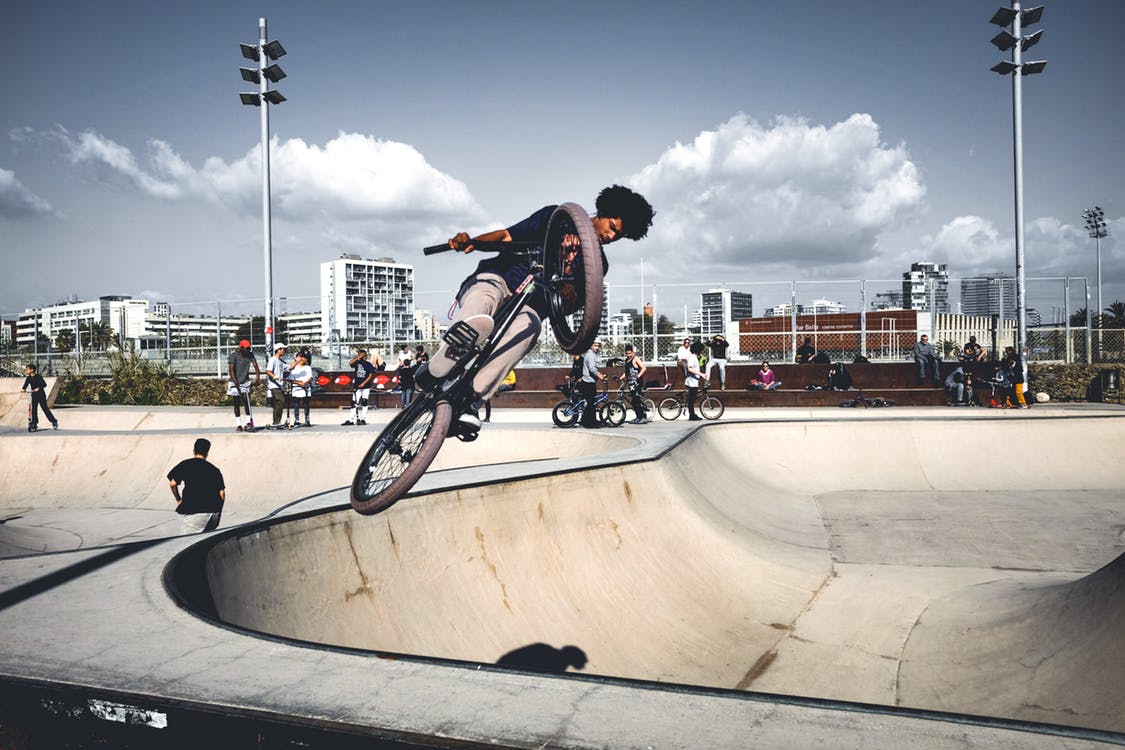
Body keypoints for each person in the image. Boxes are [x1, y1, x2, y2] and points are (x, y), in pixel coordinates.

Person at [422, 185, 654, 436]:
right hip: (501, 277)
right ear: (603, 212)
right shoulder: (556, 219)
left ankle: (470, 399)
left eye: (619, 236)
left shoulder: (597, 265)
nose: (611, 236)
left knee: (531, 327)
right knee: (485, 296)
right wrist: (472, 242)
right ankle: (442, 362)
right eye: (612, 227)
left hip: (530, 305)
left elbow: (566, 306)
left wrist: (566, 267)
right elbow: (505, 236)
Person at [167, 438, 225, 534]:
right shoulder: (214, 469)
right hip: (214, 514)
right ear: (207, 453)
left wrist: (178, 499)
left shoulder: (185, 465)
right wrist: (218, 512)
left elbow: (173, 483)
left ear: (193, 451)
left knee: (186, 544)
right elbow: (222, 493)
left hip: (196, 514)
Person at [227, 339, 261, 432]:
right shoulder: (234, 355)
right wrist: (235, 382)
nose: (248, 350)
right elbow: (231, 370)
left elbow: (256, 367)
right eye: (246, 348)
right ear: (241, 348)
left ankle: (248, 422)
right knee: (236, 403)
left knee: (247, 401)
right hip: (235, 381)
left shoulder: (250, 354)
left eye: (248, 348)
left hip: (245, 381)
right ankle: (238, 424)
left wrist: (258, 378)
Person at [343, 349, 378, 425]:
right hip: (357, 385)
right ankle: (351, 419)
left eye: (363, 355)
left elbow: (370, 375)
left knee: (364, 401)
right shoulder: (357, 363)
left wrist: (363, 383)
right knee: (354, 402)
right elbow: (350, 363)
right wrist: (358, 357)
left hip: (366, 386)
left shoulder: (368, 364)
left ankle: (363, 419)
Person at [21, 363, 58, 432]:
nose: (26, 371)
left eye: (27, 369)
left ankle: (54, 421)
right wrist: (23, 389)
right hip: (34, 395)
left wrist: (38, 388)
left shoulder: (38, 376)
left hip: (41, 395)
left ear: (32, 370)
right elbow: (25, 385)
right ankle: (34, 423)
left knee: (45, 409)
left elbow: (44, 384)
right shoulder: (28, 378)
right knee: (34, 410)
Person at [580, 341, 607, 428]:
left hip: (587, 381)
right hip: (589, 382)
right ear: (591, 346)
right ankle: (590, 423)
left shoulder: (589, 354)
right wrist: (600, 376)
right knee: (591, 403)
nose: (597, 347)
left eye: (598, 346)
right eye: (595, 345)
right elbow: (592, 368)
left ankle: (591, 420)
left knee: (591, 403)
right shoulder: (590, 355)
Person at [619, 344, 649, 423]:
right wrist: (621, 377)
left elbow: (644, 368)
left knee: (636, 399)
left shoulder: (635, 359)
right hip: (630, 382)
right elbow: (626, 372)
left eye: (629, 353)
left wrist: (638, 375)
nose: (628, 355)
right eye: (627, 353)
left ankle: (642, 417)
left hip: (637, 382)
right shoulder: (627, 360)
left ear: (632, 352)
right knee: (633, 400)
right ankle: (638, 417)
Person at [265, 343, 289, 428]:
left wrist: (297, 361)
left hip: (280, 386)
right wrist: (276, 377)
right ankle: (276, 422)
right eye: (283, 349)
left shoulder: (281, 361)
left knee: (278, 402)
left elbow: (290, 368)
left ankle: (276, 421)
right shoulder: (273, 360)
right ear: (278, 350)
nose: (284, 351)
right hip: (274, 385)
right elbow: (268, 371)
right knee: (280, 400)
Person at [288, 350, 314, 427]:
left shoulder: (307, 368)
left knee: (306, 404)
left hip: (306, 387)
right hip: (297, 388)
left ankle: (307, 419)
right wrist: (299, 383)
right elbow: (291, 379)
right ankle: (297, 419)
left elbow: (310, 377)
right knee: (296, 404)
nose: (304, 359)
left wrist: (305, 382)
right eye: (303, 357)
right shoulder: (294, 368)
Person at [683, 341, 705, 420]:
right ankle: (692, 415)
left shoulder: (694, 357)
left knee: (692, 398)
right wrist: (701, 374)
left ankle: (692, 414)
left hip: (694, 381)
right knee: (691, 399)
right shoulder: (692, 357)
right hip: (691, 382)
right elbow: (690, 368)